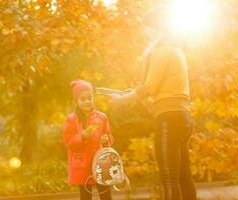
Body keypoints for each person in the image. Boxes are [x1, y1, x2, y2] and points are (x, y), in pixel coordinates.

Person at [110, 6, 197, 200]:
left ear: (155, 28)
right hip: (183, 117)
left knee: (169, 178)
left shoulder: (161, 51)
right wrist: (132, 93)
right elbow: (159, 87)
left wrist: (123, 99)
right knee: (183, 177)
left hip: (169, 119)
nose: (145, 32)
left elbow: (149, 87)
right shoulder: (176, 50)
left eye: (147, 27)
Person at [63, 80, 114, 200]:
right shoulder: (71, 119)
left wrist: (106, 140)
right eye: (83, 99)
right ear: (76, 101)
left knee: (106, 195)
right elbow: (68, 141)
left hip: (101, 164)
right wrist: (81, 137)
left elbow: (110, 136)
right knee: (85, 196)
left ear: (93, 98)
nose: (87, 101)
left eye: (89, 98)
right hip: (82, 164)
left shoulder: (102, 117)